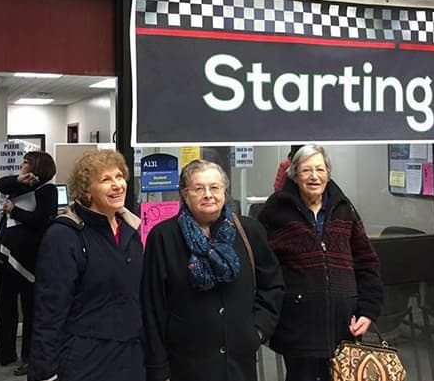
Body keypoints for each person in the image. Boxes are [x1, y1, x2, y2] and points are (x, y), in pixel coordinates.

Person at [142, 159, 284, 381]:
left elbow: (272, 285)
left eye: (215, 187)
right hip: (184, 365)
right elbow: (153, 307)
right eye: (199, 188)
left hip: (239, 365)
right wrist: (158, 369)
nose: (208, 194)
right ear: (184, 194)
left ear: (225, 192)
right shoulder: (163, 237)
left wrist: (257, 330)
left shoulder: (249, 231)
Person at [257, 144, 383, 381]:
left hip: (345, 325)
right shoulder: (275, 212)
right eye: (306, 170)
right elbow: (264, 270)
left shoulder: (344, 209)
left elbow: (367, 261)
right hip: (297, 328)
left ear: (328, 172)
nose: (314, 176)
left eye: (320, 169)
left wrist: (368, 311)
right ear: (294, 175)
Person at [28, 149, 143, 381]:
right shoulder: (64, 235)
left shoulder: (131, 230)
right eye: (105, 180)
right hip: (85, 360)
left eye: (120, 176)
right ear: (86, 191)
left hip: (131, 356)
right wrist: (45, 372)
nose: (117, 185)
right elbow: (49, 311)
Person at [0, 151, 58, 376]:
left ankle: (30, 357)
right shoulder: (21, 185)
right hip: (7, 256)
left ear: (37, 166)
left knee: (30, 311)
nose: (22, 165)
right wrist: (18, 180)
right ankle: (5, 352)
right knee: (5, 307)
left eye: (26, 162)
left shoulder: (48, 190)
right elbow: (0, 183)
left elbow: (42, 220)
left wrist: (13, 210)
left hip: (29, 259)